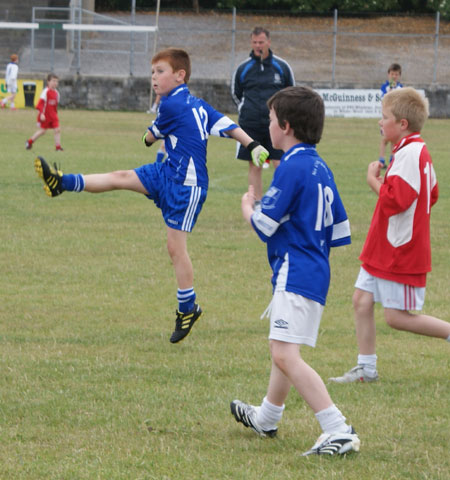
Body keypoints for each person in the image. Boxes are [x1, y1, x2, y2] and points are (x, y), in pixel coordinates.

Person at [34, 48, 269, 344]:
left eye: (160, 71)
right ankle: (60, 183)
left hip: (187, 185)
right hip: (167, 172)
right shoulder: (196, 104)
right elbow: (230, 127)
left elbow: (148, 139)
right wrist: (255, 146)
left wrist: (152, 133)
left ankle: (188, 309)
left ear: (179, 75)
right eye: (152, 72)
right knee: (121, 177)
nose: (153, 78)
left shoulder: (170, 106)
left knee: (175, 247)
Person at [230, 86, 360, 456]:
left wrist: (248, 207)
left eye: (270, 120)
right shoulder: (320, 165)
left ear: (285, 126)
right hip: (316, 269)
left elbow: (263, 226)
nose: (267, 125)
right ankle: (267, 418)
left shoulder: (292, 166)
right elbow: (339, 232)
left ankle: (337, 428)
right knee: (281, 348)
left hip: (296, 270)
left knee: (285, 353)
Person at [329, 87, 450, 384]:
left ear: (403, 124)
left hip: (399, 247)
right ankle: (366, 369)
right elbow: (430, 193)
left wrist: (373, 180)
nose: (380, 123)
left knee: (395, 317)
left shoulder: (411, 152)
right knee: (361, 300)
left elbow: (397, 200)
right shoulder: (410, 149)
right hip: (383, 244)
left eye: (385, 118)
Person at [231, 27, 295, 202]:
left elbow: (291, 92)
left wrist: (280, 115)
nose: (258, 45)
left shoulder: (281, 67)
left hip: (276, 124)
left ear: (269, 42)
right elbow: (236, 94)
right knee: (255, 164)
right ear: (251, 43)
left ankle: (283, 201)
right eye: (255, 42)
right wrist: (249, 110)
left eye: (261, 42)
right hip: (250, 124)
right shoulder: (243, 68)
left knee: (279, 163)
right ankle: (256, 203)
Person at [26, 73, 63, 151]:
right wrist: (41, 114)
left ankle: (58, 147)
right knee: (43, 131)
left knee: (57, 129)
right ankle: (29, 142)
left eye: (56, 81)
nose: (55, 83)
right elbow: (41, 103)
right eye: (53, 81)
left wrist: (55, 114)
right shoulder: (45, 92)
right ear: (48, 82)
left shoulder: (57, 93)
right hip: (45, 115)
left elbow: (55, 105)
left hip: (53, 115)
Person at [378, 63, 403, 168]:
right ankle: (381, 161)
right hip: (386, 117)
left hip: (396, 117)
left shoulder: (401, 88)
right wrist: (390, 91)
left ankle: (392, 160)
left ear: (399, 76)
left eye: (396, 74)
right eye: (392, 74)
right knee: (385, 139)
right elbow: (383, 100)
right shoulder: (385, 87)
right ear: (388, 74)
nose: (394, 76)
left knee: (394, 139)